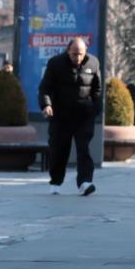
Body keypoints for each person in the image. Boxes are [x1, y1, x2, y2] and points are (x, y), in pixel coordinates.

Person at [39, 37, 102, 196]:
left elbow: (97, 90)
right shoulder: (56, 63)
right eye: (74, 54)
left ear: (86, 51)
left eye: (80, 54)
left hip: (84, 116)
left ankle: (85, 182)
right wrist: (47, 105)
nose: (78, 58)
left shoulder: (94, 63)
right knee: (59, 149)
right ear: (68, 51)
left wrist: (94, 110)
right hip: (61, 116)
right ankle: (56, 182)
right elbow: (45, 88)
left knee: (84, 149)